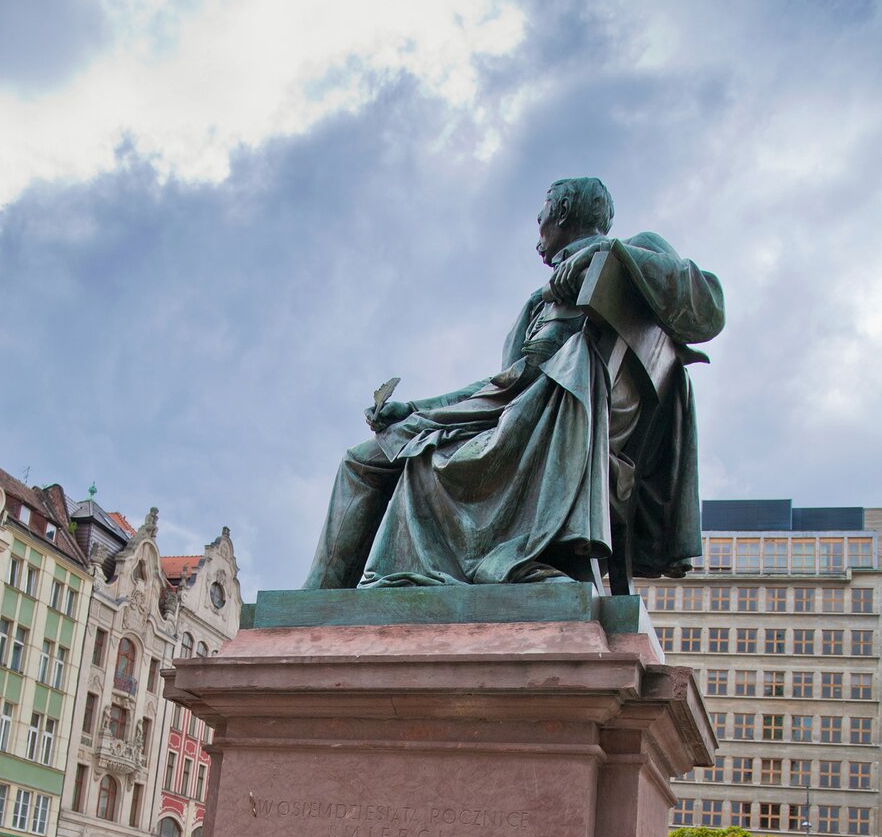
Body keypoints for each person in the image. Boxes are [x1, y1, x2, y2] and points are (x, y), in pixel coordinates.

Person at [303, 176, 724, 593]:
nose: (537, 221)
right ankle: (308, 617)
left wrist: (608, 251)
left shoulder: (635, 252)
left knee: (396, 461)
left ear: (560, 212)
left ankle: (321, 613)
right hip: (520, 434)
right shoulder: (539, 302)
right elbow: (502, 386)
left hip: (539, 448)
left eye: (542, 210)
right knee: (363, 461)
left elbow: (711, 308)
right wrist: (414, 410)